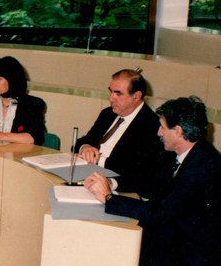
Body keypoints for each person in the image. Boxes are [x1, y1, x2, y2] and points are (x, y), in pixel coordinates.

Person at [85, 96, 221, 266]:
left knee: (114, 254)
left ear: (178, 131)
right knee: (114, 243)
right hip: (179, 238)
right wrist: (112, 183)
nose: (158, 132)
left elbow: (159, 213)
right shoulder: (191, 152)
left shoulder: (201, 167)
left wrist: (108, 198)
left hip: (190, 263)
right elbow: (152, 180)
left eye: (163, 127)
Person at [73, 68, 174, 199]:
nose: (111, 98)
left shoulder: (152, 125)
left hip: (118, 188)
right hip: (87, 174)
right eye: (111, 91)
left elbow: (137, 171)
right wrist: (85, 147)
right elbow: (84, 141)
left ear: (136, 96)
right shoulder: (107, 114)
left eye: (118, 94)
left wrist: (98, 160)